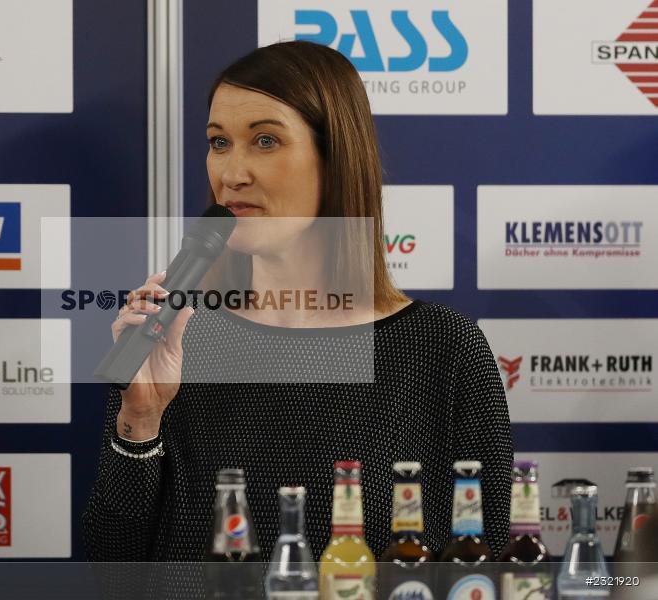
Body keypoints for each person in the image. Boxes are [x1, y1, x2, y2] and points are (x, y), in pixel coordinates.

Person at [83, 41, 512, 568]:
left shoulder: (443, 347)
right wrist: (139, 420)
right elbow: (111, 570)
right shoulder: (174, 335)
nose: (231, 173)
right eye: (219, 142)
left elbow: (485, 566)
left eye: (265, 140)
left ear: (335, 157)